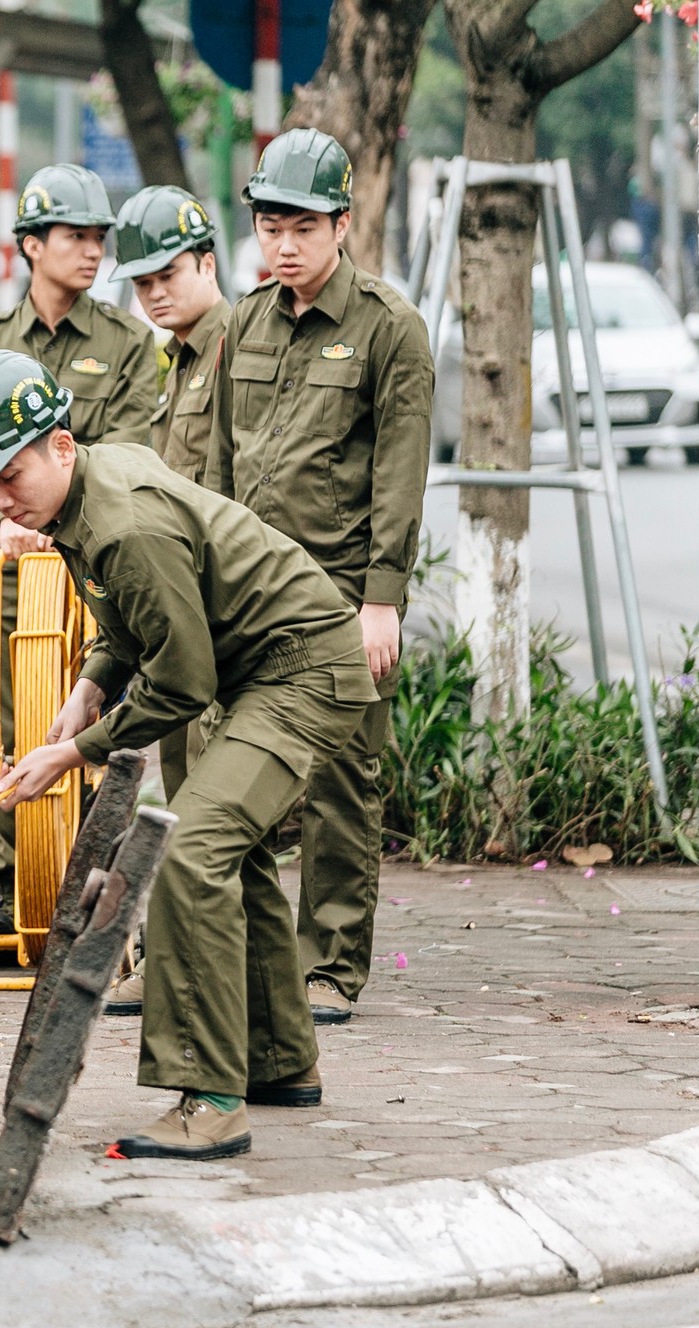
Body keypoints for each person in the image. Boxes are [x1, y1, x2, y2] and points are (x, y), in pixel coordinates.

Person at [0, 349, 374, 1159]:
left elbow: (181, 681)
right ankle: (278, 1057)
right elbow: (131, 620)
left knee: (189, 852)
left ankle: (211, 1101)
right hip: (259, 670)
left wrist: (74, 754)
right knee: (230, 852)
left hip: (302, 671)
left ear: (60, 446)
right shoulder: (85, 493)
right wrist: (88, 688)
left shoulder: (123, 522)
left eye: (10, 474)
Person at [217, 128, 433, 1026]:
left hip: (342, 595)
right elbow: (224, 463)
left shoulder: (389, 327)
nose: (285, 245)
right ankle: (248, 957)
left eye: (303, 227)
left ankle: (331, 965)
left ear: (342, 224)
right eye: (271, 227)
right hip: (249, 593)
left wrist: (382, 601)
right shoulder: (244, 322)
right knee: (239, 774)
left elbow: (401, 474)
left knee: (343, 779)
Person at [0, 164, 155, 951]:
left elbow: (126, 451)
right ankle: (4, 887)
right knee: (3, 719)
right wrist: (8, 514)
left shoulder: (128, 343)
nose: (92, 251)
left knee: (97, 717)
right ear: (32, 245)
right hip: (6, 560)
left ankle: (91, 885)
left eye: (99, 237)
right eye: (74, 235)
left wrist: (55, 507)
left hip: (95, 558)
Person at [99, 183, 232, 1017]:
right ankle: (182, 961)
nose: (154, 293)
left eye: (168, 274)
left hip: (225, 603)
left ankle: (197, 970)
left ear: (207, 264)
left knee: (209, 809)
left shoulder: (238, 348)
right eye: (141, 280)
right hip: (183, 605)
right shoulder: (177, 359)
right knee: (182, 790)